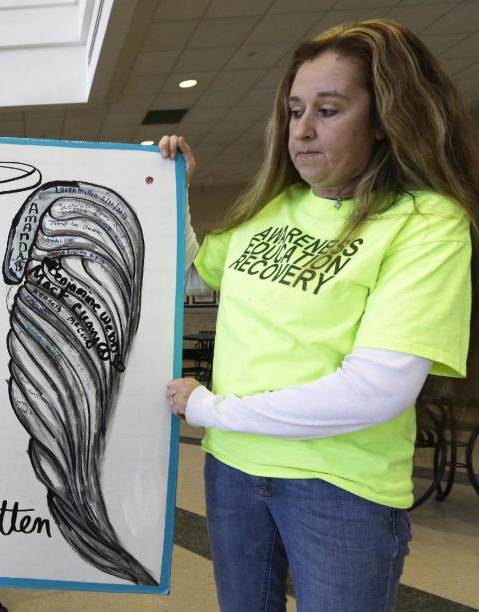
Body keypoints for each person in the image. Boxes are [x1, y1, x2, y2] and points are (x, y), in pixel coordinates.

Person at [161, 19, 478, 612]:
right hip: (234, 468)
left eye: (328, 110)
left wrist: (211, 409)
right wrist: (167, 193)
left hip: (338, 484)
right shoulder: (274, 206)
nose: (301, 131)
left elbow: (376, 391)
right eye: (294, 110)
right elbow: (191, 278)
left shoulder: (426, 223)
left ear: (385, 119)